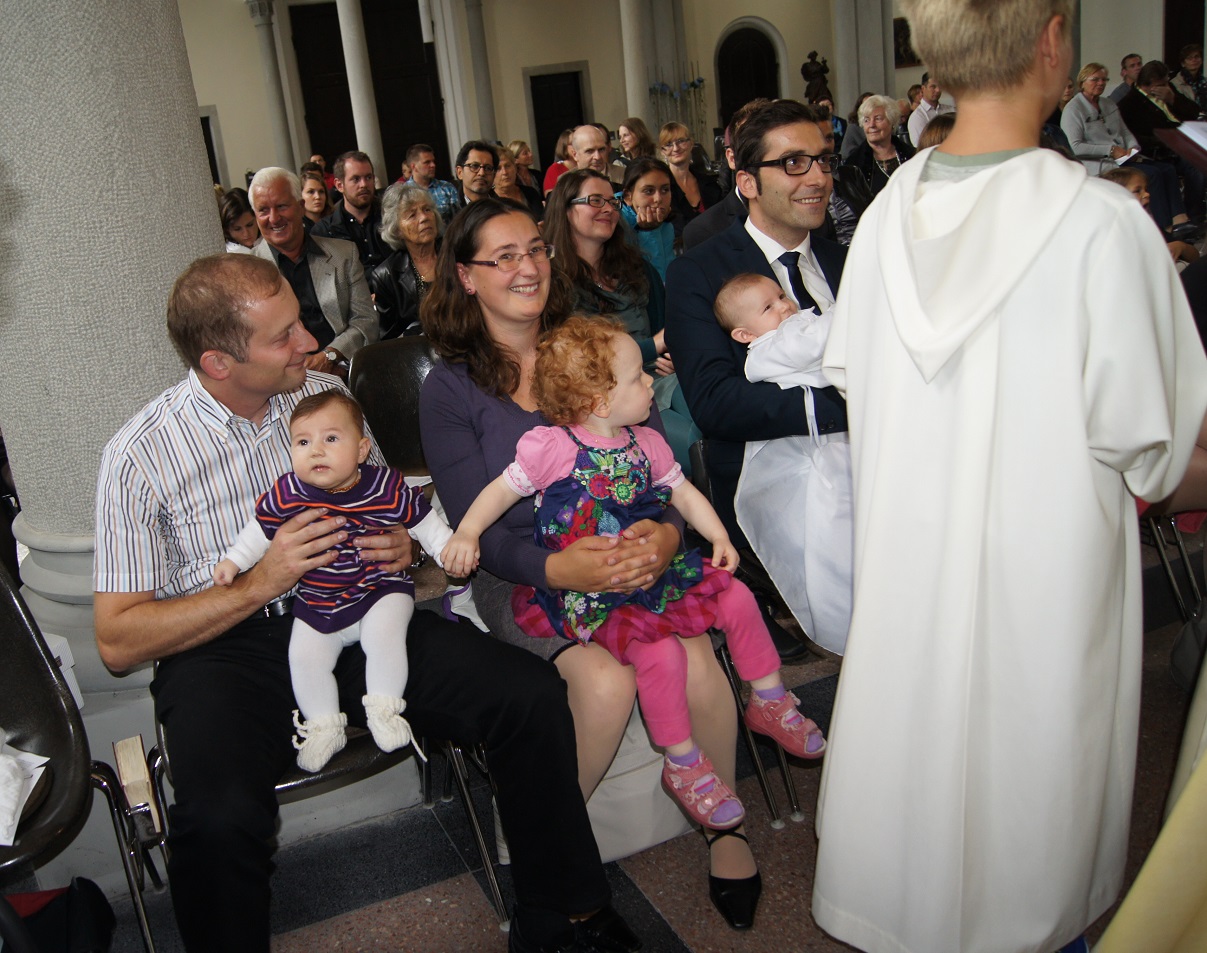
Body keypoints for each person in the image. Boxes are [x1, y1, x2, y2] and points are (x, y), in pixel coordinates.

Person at [93, 253, 641, 953]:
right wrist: (260, 582)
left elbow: (395, 513)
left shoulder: (324, 398)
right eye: (284, 335)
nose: (308, 340)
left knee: (527, 694)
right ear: (219, 363)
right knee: (219, 817)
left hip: (361, 609)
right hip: (223, 651)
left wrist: (399, 546)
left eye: (300, 320)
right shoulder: (139, 457)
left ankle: (561, 913)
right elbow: (118, 640)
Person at [811, 2, 1207, 952]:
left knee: (916, 794)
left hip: (911, 567)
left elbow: (859, 382)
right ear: (1050, 40)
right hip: (1045, 580)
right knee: (1030, 817)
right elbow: (1154, 446)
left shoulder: (882, 218)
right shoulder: (1100, 225)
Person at [419, 199, 765, 931]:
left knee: (698, 658)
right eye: (503, 256)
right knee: (605, 683)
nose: (527, 267)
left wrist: (666, 537)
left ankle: (725, 823)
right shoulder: (451, 387)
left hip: (632, 550)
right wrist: (559, 571)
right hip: (521, 574)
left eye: (534, 249)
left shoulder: (593, 345)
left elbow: (658, 467)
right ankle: (552, 848)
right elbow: (480, 525)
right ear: (467, 276)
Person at [441, 316, 825, 829]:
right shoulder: (552, 446)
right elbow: (500, 491)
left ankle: (770, 698)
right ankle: (682, 760)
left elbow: (683, 494)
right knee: (661, 654)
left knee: (736, 597)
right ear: (600, 402)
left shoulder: (645, 442)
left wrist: (719, 536)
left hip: (648, 574)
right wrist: (467, 533)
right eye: (637, 377)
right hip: (595, 589)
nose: (650, 381)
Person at [214, 390, 453, 771]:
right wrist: (234, 562)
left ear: (361, 450)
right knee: (304, 657)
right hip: (320, 599)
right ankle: (324, 726)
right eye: (303, 442)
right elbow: (258, 531)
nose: (316, 451)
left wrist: (446, 550)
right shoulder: (289, 492)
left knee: (383, 637)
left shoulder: (384, 486)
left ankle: (385, 709)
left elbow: (424, 522)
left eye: (330, 438)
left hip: (380, 588)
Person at [712, 273, 853, 652]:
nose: (784, 306)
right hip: (808, 456)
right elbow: (816, 342)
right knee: (829, 536)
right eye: (768, 307)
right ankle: (843, 618)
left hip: (835, 444)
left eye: (780, 295)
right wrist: (850, 305)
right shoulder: (768, 349)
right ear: (745, 334)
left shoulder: (794, 326)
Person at [249, 167, 378, 375]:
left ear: (301, 207)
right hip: (281, 380)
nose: (273, 218)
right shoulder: (246, 272)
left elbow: (366, 321)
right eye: (263, 210)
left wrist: (330, 356)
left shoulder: (344, 254)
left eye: (281, 206)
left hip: (344, 370)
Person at [1062, 62, 1193, 233]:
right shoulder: (1073, 109)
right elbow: (1075, 147)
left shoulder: (1108, 104)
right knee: (1152, 174)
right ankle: (1164, 228)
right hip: (1100, 163)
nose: (1100, 83)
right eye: (1095, 79)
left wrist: (1133, 147)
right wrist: (1110, 150)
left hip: (1123, 158)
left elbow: (1125, 132)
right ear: (1082, 82)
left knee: (1167, 169)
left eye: (1104, 80)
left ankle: (1180, 219)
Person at [367, 183, 441, 339]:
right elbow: (389, 337)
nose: (424, 218)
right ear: (397, 230)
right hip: (417, 349)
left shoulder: (456, 254)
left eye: (427, 209)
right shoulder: (386, 275)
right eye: (412, 215)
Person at [1099, 166, 1200, 266]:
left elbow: (1195, 257)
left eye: (1146, 189)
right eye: (1137, 191)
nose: (1147, 194)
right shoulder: (1107, 235)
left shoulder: (1149, 227)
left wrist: (1181, 246)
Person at [312, 151, 390, 272]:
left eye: (368, 177)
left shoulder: (391, 217)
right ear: (339, 185)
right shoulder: (324, 232)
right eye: (356, 179)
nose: (364, 184)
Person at [659, 122, 722, 237]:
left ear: (691, 143)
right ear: (662, 151)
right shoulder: (661, 189)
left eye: (681, 141)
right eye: (668, 144)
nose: (676, 148)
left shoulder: (709, 183)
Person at [846, 95, 916, 196]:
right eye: (866, 120)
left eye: (878, 119)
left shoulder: (912, 155)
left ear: (891, 121)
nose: (872, 125)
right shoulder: (854, 164)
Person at [619, 157, 675, 280]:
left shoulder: (666, 225)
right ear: (628, 196)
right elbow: (644, 279)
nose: (658, 199)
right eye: (649, 191)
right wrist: (648, 231)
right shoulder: (617, 226)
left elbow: (667, 276)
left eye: (665, 190)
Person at [402, 143, 461, 226]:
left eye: (433, 161)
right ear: (413, 167)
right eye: (427, 162)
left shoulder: (447, 188)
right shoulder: (403, 193)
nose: (433, 165)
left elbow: (459, 220)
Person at [493, 145, 543, 218]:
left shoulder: (531, 193)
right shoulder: (488, 200)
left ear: (515, 168)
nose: (505, 172)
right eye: (498, 168)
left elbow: (541, 218)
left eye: (507, 166)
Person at [907, 72, 955, 147]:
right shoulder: (917, 117)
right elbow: (921, 146)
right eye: (933, 87)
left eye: (940, 86)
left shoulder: (951, 110)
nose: (938, 90)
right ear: (923, 89)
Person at [454, 139, 499, 210]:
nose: (482, 173)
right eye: (474, 166)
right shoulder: (449, 211)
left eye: (488, 168)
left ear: (494, 175)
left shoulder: (504, 210)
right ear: (460, 172)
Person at [220, 188, 261, 254]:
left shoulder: (271, 240)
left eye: (250, 225)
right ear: (227, 230)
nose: (246, 234)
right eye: (237, 229)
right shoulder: (225, 253)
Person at [1173, 43, 1207, 111]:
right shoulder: (1175, 84)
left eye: (1197, 57)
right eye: (1189, 58)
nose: (1194, 60)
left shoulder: (1205, 82)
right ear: (1183, 63)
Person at [543, 129, 577, 196]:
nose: (577, 146)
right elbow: (550, 196)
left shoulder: (586, 165)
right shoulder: (554, 169)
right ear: (564, 147)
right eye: (572, 143)